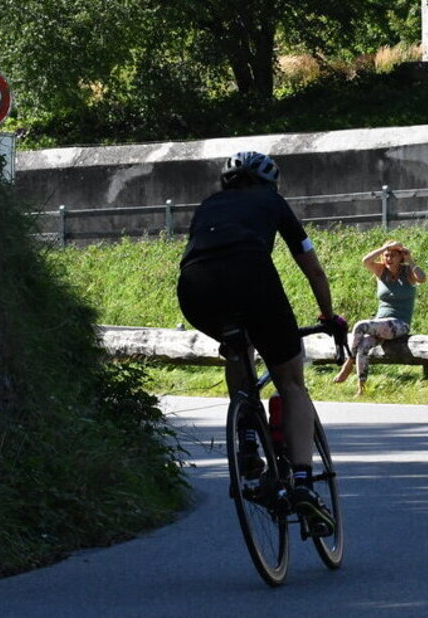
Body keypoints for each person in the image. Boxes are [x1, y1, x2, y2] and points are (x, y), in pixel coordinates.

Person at [176, 151, 342, 536]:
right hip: (251, 277)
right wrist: (327, 316)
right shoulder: (272, 201)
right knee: (291, 384)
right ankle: (302, 482)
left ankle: (247, 437)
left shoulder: (207, 206)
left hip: (195, 288)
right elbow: (312, 266)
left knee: (238, 343)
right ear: (269, 182)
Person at [334, 240, 426, 396]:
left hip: (400, 324)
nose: (389, 258)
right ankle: (361, 389)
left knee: (360, 326)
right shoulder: (381, 271)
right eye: (386, 255)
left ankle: (348, 364)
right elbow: (365, 260)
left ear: (400, 257)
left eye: (393, 256)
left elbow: (422, 278)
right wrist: (384, 247)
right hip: (380, 324)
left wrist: (409, 259)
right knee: (363, 346)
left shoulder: (407, 273)